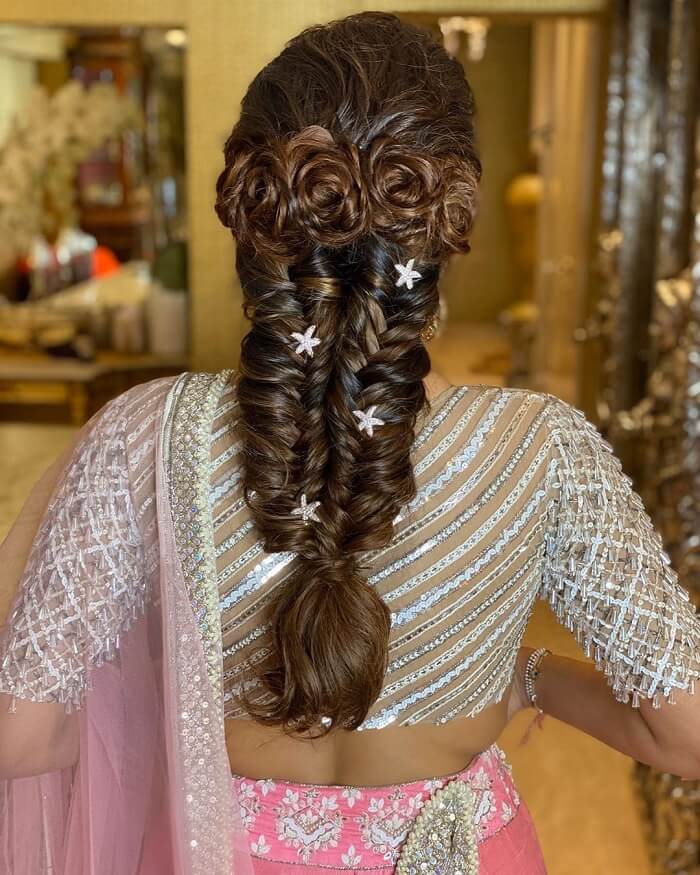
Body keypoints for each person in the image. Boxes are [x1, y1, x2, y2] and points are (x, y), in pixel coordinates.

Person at [0, 12, 699, 875]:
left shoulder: (145, 435)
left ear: (254, 219)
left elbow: (22, 734)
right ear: (449, 219)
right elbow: (686, 734)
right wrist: (531, 676)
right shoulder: (544, 450)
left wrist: (169, 690)